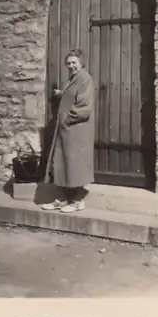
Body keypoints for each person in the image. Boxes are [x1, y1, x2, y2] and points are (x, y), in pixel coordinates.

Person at [42, 49, 96, 213]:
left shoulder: (85, 79)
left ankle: (78, 200)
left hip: (76, 129)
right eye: (69, 63)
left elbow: (85, 107)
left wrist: (67, 119)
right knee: (62, 164)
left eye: (74, 62)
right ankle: (62, 199)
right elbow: (71, 96)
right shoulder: (73, 79)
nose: (71, 66)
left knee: (74, 165)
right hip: (67, 130)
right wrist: (61, 94)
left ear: (81, 63)